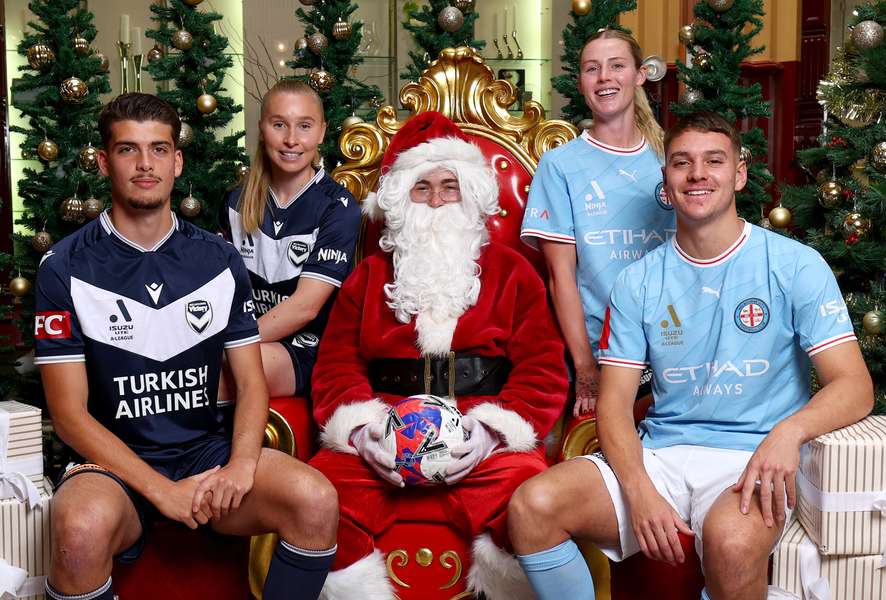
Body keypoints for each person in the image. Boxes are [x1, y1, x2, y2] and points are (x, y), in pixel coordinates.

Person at [509, 112, 873, 600]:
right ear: (667, 181)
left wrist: (789, 432)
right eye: (682, 163)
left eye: (713, 161)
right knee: (533, 505)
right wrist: (638, 490)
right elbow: (615, 406)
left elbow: (854, 384)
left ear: (739, 174)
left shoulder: (793, 264)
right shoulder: (637, 281)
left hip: (751, 458)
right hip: (662, 454)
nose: (697, 174)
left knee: (730, 540)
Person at [34, 93, 339, 600]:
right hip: (113, 465)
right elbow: (69, 417)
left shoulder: (218, 259)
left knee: (315, 499)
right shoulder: (64, 268)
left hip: (206, 453)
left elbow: (250, 382)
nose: (145, 164)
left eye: (158, 149)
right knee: (79, 531)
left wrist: (242, 463)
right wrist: (160, 490)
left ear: (177, 160)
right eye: (129, 150)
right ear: (104, 160)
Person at [307, 111, 568, 599]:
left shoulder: (512, 272)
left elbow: (544, 369)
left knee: (532, 498)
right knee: (314, 499)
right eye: (421, 188)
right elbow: (336, 365)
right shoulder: (367, 277)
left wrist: (494, 433)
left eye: (449, 186)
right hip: (386, 430)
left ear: (470, 195)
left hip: (481, 433)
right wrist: (363, 433)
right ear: (399, 201)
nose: (436, 199)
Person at [520, 28, 675, 416]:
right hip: (604, 351)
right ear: (582, 83)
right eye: (592, 69)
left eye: (616, 66)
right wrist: (586, 367)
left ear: (639, 75)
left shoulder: (672, 159)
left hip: (676, 346)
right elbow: (561, 278)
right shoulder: (560, 166)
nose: (604, 77)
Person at [221, 79, 360, 399]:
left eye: (304, 126)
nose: (291, 140)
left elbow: (304, 308)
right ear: (261, 128)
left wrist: (228, 343)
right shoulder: (236, 202)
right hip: (250, 337)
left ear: (322, 132)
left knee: (214, 369)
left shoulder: (337, 207)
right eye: (279, 124)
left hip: (310, 348)